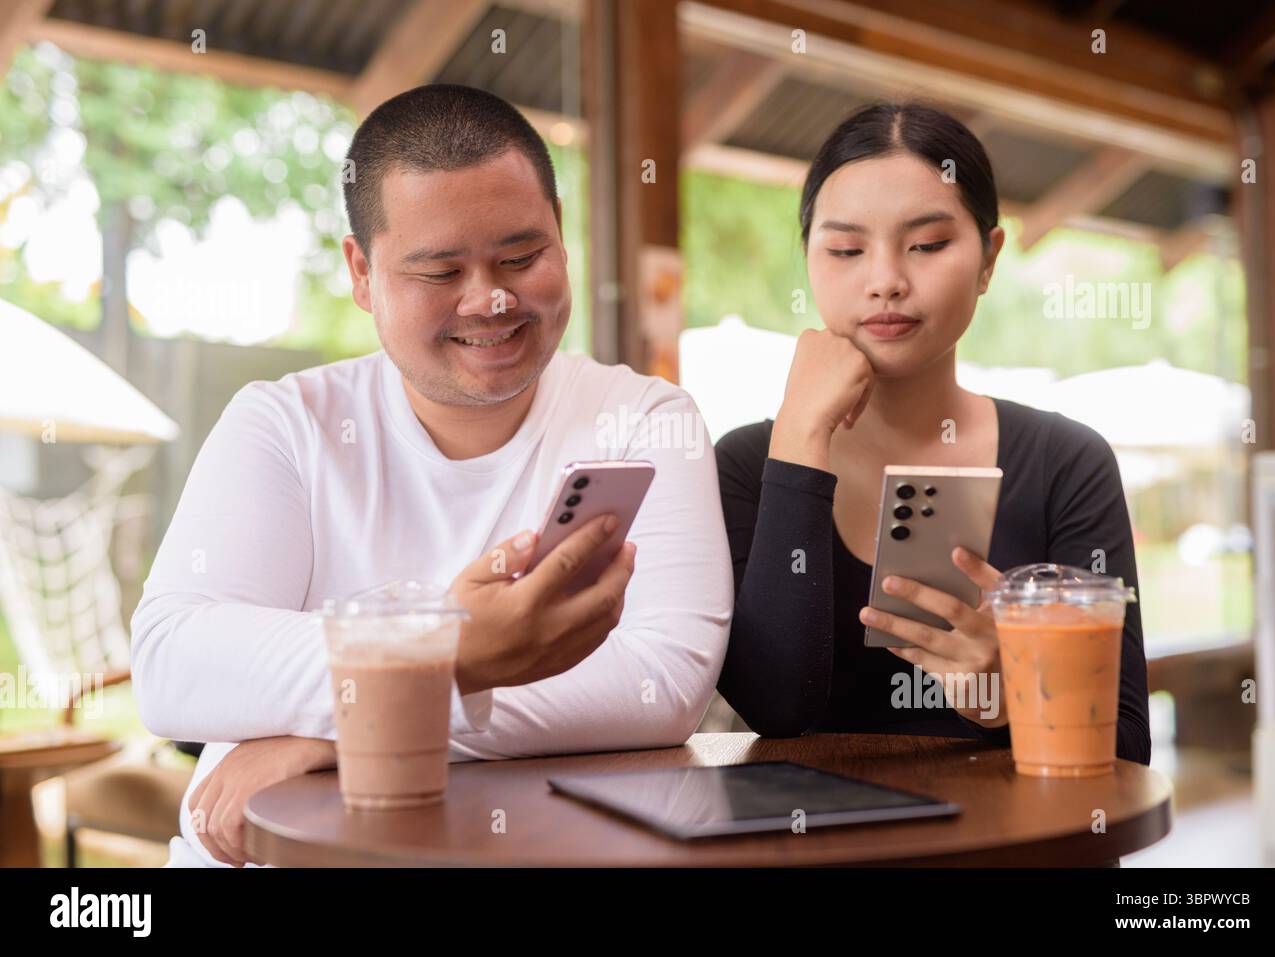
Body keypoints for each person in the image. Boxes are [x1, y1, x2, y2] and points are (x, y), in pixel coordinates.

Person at [130, 84, 732, 867]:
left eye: (522, 255)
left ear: (560, 233)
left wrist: (353, 729)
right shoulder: (285, 423)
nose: (492, 298)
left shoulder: (648, 417)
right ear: (360, 271)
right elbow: (175, 661)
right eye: (440, 270)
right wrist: (460, 651)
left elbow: (659, 683)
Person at [714, 102, 1150, 764]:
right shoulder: (748, 464)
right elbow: (776, 706)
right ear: (808, 258)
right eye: (846, 249)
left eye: (927, 245)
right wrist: (802, 431)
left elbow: (1128, 746)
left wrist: (1016, 697)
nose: (886, 280)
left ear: (989, 258)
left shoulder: (1067, 463)